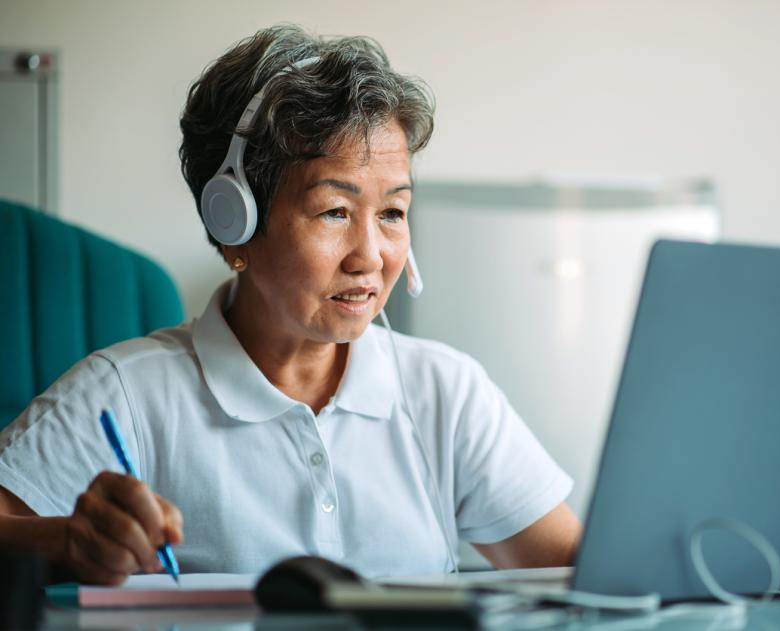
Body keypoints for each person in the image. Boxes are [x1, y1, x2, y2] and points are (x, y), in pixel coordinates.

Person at [0, 24, 581, 586]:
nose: (371, 257)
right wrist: (65, 541)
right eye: (334, 211)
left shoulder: (445, 391)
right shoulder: (126, 392)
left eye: (392, 213)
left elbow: (586, 576)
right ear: (234, 223)